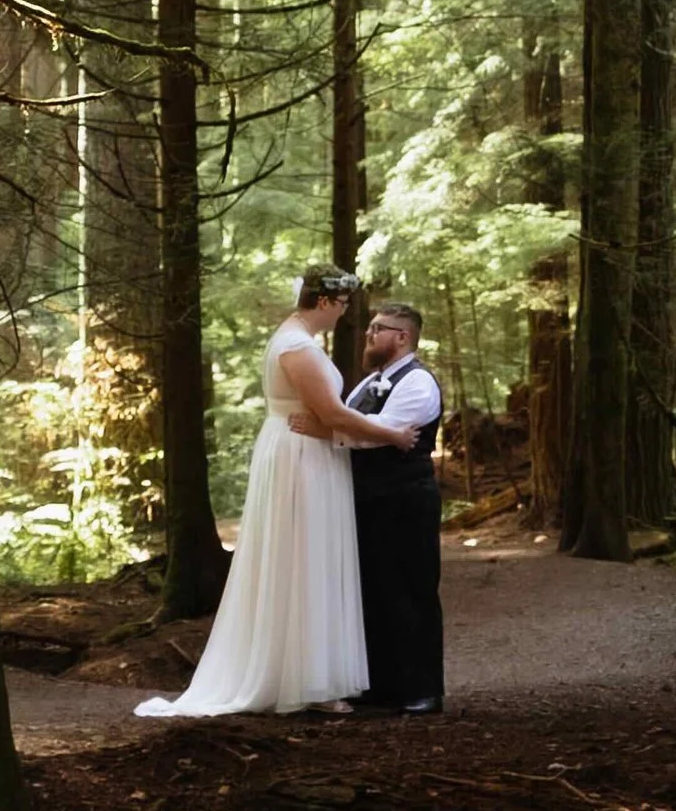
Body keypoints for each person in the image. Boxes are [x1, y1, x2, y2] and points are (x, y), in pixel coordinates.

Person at [135, 270, 416, 719]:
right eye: (342, 304)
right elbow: (331, 413)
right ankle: (304, 678)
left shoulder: (297, 339)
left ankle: (311, 674)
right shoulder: (297, 347)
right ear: (324, 301)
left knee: (309, 559)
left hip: (307, 449)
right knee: (304, 558)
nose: (346, 314)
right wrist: (392, 434)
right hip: (300, 457)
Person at [343, 298, 446, 714]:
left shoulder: (419, 383)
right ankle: (381, 685)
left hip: (406, 499)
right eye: (370, 328)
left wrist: (328, 429)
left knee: (411, 588)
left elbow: (372, 434)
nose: (368, 334)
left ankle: (422, 689)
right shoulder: (370, 383)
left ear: (402, 337)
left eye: (377, 328)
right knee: (374, 590)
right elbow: (350, 419)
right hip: (370, 500)